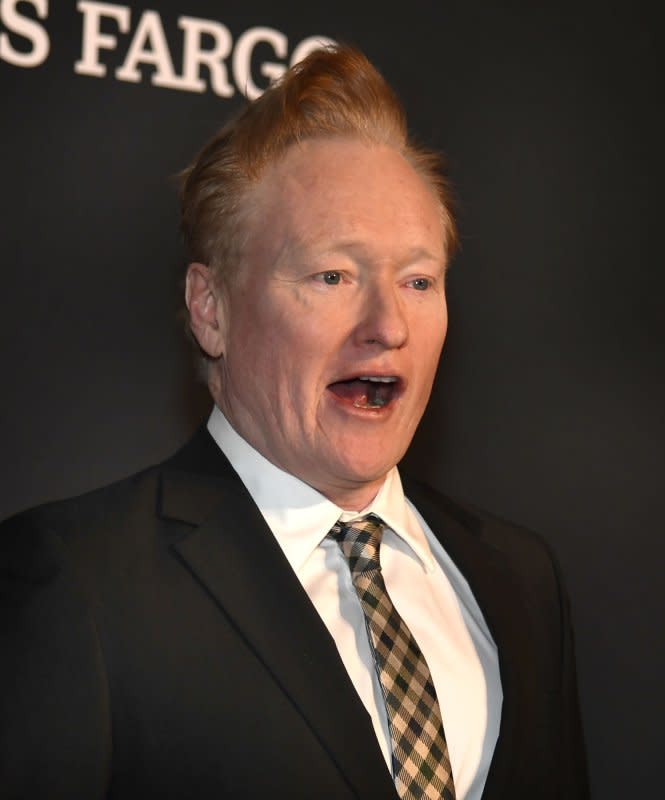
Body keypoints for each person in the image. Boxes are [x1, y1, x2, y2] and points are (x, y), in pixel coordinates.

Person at [0, 45, 589, 799]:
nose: (388, 324)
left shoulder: (521, 578)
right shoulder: (80, 583)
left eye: (418, 280)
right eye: (332, 276)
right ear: (211, 310)